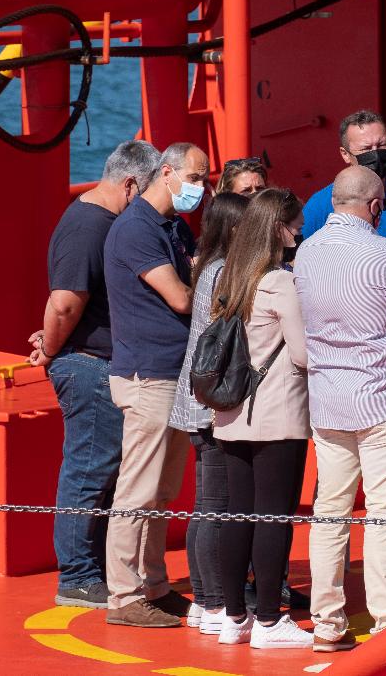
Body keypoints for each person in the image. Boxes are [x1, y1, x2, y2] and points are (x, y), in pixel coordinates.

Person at [293, 166, 386, 656]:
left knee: (329, 513)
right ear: (376, 207)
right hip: (385, 400)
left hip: (329, 401)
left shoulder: (305, 255)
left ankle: (328, 622)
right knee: (385, 515)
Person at [27, 139, 161, 609]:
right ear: (129, 185)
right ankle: (78, 574)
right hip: (88, 364)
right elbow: (64, 303)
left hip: (100, 361)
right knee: (90, 469)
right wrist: (52, 348)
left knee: (104, 471)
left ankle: (96, 568)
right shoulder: (88, 228)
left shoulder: (99, 222)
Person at [102, 141, 207, 627]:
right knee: (137, 490)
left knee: (162, 490)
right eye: (194, 177)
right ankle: (123, 596)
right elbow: (182, 297)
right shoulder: (136, 230)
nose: (199, 187)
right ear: (166, 173)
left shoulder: (172, 227)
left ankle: (154, 584)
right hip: (149, 375)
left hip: (173, 373)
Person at [208, 188, 313, 648]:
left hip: (232, 414)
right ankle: (270, 619)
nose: (300, 231)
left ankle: (235, 616)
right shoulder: (281, 282)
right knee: (274, 516)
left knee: (237, 515)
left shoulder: (230, 279)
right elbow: (305, 353)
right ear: (278, 228)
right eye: (295, 225)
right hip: (277, 413)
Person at [167, 192, 250, 631]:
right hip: (211, 404)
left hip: (195, 397)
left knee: (207, 502)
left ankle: (204, 598)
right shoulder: (224, 275)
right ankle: (215, 601)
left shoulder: (207, 269)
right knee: (216, 503)